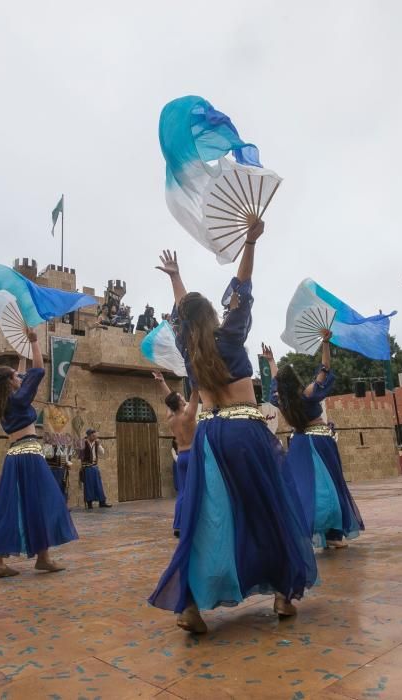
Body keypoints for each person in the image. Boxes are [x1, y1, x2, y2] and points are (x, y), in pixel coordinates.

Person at [148, 221, 317, 634]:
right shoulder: (229, 338)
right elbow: (241, 288)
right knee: (270, 507)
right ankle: (282, 592)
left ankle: (188, 604)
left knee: (207, 518)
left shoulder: (190, 355)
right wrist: (250, 241)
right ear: (213, 317)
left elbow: (183, 316)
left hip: (209, 436)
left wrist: (175, 279)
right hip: (245, 432)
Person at [0, 329, 77, 578]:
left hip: (14, 456)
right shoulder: (20, 399)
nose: (20, 378)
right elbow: (38, 370)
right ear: (11, 382)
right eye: (15, 376)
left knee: (12, 504)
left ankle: (0, 561)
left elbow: (24, 373)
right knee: (46, 500)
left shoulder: (4, 401)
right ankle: (41, 557)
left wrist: (21, 355)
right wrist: (34, 343)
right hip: (30, 455)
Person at [263, 330, 365, 550]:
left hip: (299, 443)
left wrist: (271, 361)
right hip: (320, 441)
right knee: (330, 485)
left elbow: (275, 382)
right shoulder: (307, 393)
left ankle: (306, 531)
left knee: (304, 487)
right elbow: (324, 369)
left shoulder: (280, 400)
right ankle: (333, 535)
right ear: (295, 380)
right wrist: (326, 343)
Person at [153, 371, 199, 538]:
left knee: (182, 492)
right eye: (181, 397)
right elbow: (196, 391)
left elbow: (170, 399)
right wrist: (196, 373)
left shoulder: (171, 418)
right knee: (195, 490)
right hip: (194, 456)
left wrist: (162, 382)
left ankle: (178, 525)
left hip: (181, 458)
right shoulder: (189, 415)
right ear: (180, 402)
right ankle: (194, 523)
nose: (182, 397)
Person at [79, 429, 112, 509]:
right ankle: (89, 503)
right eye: (93, 435)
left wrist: (99, 444)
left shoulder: (96, 443)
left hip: (94, 467)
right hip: (87, 468)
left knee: (98, 485)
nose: (95, 437)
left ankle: (102, 502)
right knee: (89, 486)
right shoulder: (83, 443)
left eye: (95, 435)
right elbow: (79, 454)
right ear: (89, 435)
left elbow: (102, 452)